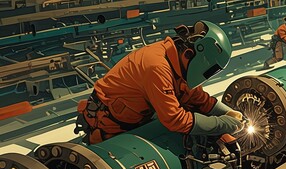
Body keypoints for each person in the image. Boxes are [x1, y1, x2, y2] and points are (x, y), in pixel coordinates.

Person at [75, 21, 243, 144]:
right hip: (109, 128)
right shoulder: (157, 67)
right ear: (194, 55)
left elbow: (196, 97)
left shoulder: (179, 60)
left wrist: (228, 113)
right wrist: (222, 124)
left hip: (135, 120)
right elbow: (175, 120)